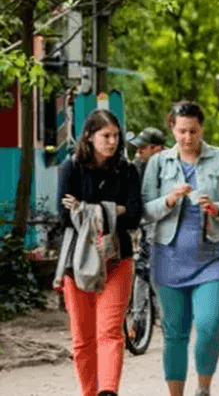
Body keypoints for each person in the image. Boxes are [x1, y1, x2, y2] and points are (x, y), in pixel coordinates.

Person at [141, 101, 219, 396]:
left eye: (194, 131)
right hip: (168, 257)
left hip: (212, 257)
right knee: (175, 334)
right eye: (182, 131)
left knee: (211, 326)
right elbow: (144, 210)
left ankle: (203, 388)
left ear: (202, 129)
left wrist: (217, 207)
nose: (188, 138)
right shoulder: (158, 163)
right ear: (172, 128)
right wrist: (170, 199)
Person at [54, 109, 142, 396]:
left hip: (117, 259)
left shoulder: (128, 171)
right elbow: (64, 217)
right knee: (82, 339)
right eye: (106, 135)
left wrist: (85, 208)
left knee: (110, 332)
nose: (112, 141)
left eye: (116, 135)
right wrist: (113, 210)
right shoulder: (71, 168)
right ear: (90, 137)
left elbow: (134, 216)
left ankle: (107, 391)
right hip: (76, 262)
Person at [125, 126, 166, 342]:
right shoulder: (136, 166)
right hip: (143, 223)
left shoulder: (171, 166)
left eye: (144, 147)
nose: (139, 151)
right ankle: (139, 322)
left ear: (157, 148)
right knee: (142, 269)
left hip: (167, 224)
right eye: (138, 147)